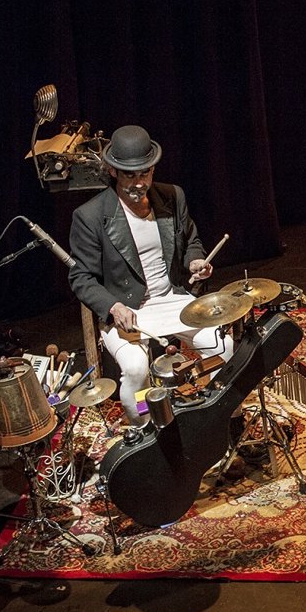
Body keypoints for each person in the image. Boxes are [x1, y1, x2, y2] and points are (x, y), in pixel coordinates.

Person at [68, 125, 234, 426]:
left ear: (153, 168)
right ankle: (146, 428)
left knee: (223, 346)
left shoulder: (172, 197)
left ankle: (213, 420)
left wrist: (195, 261)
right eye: (129, 175)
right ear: (113, 171)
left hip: (172, 298)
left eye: (144, 173)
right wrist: (113, 307)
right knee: (135, 368)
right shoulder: (90, 216)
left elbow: (191, 241)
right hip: (127, 308)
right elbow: (81, 278)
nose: (139, 182)